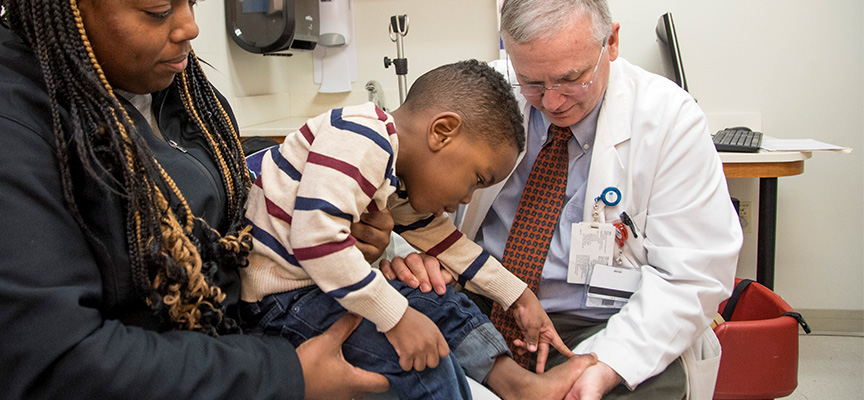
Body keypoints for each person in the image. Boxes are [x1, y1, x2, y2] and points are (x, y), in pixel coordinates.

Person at [0, 0, 395, 398]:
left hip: (253, 346)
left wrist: (331, 244)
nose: (190, 27)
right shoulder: (18, 123)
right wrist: (284, 377)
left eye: (192, 2)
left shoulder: (186, 96)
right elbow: (56, 363)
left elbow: (235, 249)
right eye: (157, 9)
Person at [381, 0, 744, 399]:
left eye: (572, 78)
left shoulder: (670, 119)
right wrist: (415, 258)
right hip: (479, 302)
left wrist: (606, 364)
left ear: (612, 43)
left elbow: (692, 274)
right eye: (533, 82)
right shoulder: (481, 95)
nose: (552, 102)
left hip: (602, 322)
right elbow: (405, 200)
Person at [241, 59, 597, 400]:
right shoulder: (361, 136)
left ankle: (521, 388)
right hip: (285, 301)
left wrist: (518, 297)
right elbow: (316, 239)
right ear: (442, 132)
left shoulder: (391, 174)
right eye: (475, 180)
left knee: (442, 304)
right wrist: (398, 319)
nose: (465, 198)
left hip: (318, 290)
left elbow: (448, 244)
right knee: (423, 358)